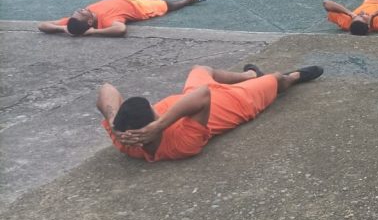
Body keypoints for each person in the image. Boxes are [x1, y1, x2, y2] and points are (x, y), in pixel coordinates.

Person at [95, 63, 324, 162]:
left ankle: (249, 75)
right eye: (155, 114)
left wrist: (112, 120)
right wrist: (160, 124)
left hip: (191, 96)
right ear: (150, 129)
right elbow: (203, 96)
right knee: (276, 79)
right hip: (237, 101)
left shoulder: (125, 140)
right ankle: (295, 77)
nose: (157, 112)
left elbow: (106, 88)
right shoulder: (181, 146)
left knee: (200, 69)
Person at [38, 0, 211, 37]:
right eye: (82, 12)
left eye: (78, 11)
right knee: (169, 5)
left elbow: (42, 25)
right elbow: (121, 29)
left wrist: (62, 28)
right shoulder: (105, 22)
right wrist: (93, 32)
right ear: (89, 22)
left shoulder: (75, 21)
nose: (81, 9)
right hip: (141, 8)